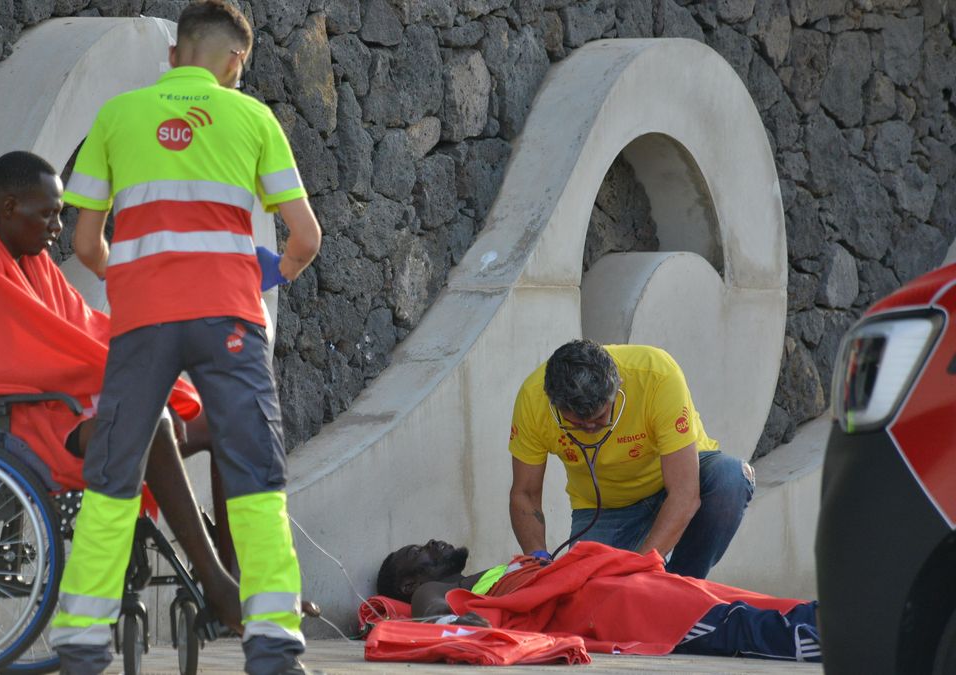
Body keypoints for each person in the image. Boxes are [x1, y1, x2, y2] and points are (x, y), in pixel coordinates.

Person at [50, 2, 323, 674]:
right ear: (236, 62)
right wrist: (268, 276)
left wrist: (137, 276)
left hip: (143, 320)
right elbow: (306, 238)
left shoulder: (116, 116)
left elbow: (85, 241)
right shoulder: (253, 117)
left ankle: (84, 644)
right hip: (229, 316)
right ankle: (274, 646)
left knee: (114, 475)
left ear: (175, 55)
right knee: (257, 474)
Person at [0, 151, 242, 635]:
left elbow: (85, 329)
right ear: (8, 208)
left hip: (62, 413)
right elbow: (29, 356)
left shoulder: (36, 264)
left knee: (227, 419)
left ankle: (235, 575)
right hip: (19, 428)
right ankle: (219, 588)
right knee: (147, 422)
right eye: (47, 213)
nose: (57, 225)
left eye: (60, 213)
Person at [508, 339, 754, 579]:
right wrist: (537, 558)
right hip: (606, 507)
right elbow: (525, 493)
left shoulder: (657, 375)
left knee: (730, 478)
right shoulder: (532, 400)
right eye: (578, 424)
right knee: (588, 594)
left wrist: (638, 571)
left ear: (618, 387)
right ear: (554, 405)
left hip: (674, 485)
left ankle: (680, 585)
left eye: (601, 416)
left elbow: (684, 494)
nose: (592, 428)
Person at [373, 539, 821, 662]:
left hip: (598, 581)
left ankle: (840, 621)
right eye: (419, 553)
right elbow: (441, 616)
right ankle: (833, 637)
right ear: (409, 585)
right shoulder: (434, 592)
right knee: (723, 621)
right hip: (594, 601)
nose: (432, 543)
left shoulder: (482, 573)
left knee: (736, 600)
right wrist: (471, 621)